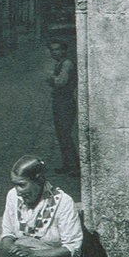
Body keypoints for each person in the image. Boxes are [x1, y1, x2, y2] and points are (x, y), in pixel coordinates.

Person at [47, 36, 79, 176]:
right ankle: (69, 164)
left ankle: (74, 167)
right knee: (62, 135)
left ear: (64, 51)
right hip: (60, 101)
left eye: (57, 49)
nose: (54, 52)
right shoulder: (60, 63)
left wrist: (51, 79)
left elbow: (60, 82)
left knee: (65, 135)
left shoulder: (66, 64)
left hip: (65, 102)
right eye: (52, 50)